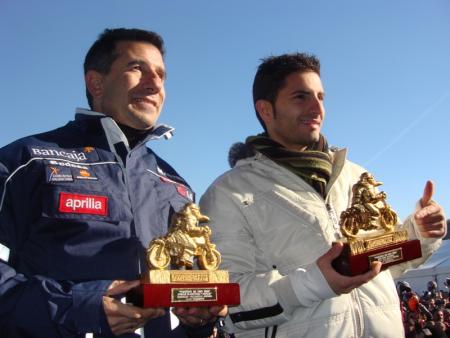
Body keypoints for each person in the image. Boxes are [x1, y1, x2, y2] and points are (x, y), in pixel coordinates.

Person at [199, 53, 446, 337]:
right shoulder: (228, 192)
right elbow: (226, 298)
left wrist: (419, 235)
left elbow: (383, 266)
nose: (317, 108)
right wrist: (315, 282)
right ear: (266, 110)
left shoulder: (356, 177)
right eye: (300, 97)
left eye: (321, 96)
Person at [0, 28, 226, 337]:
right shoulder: (26, 160)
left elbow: (185, 286)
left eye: (161, 75)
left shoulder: (175, 183)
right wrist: (74, 307)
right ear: (96, 82)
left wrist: (200, 319)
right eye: (137, 68)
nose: (155, 83)